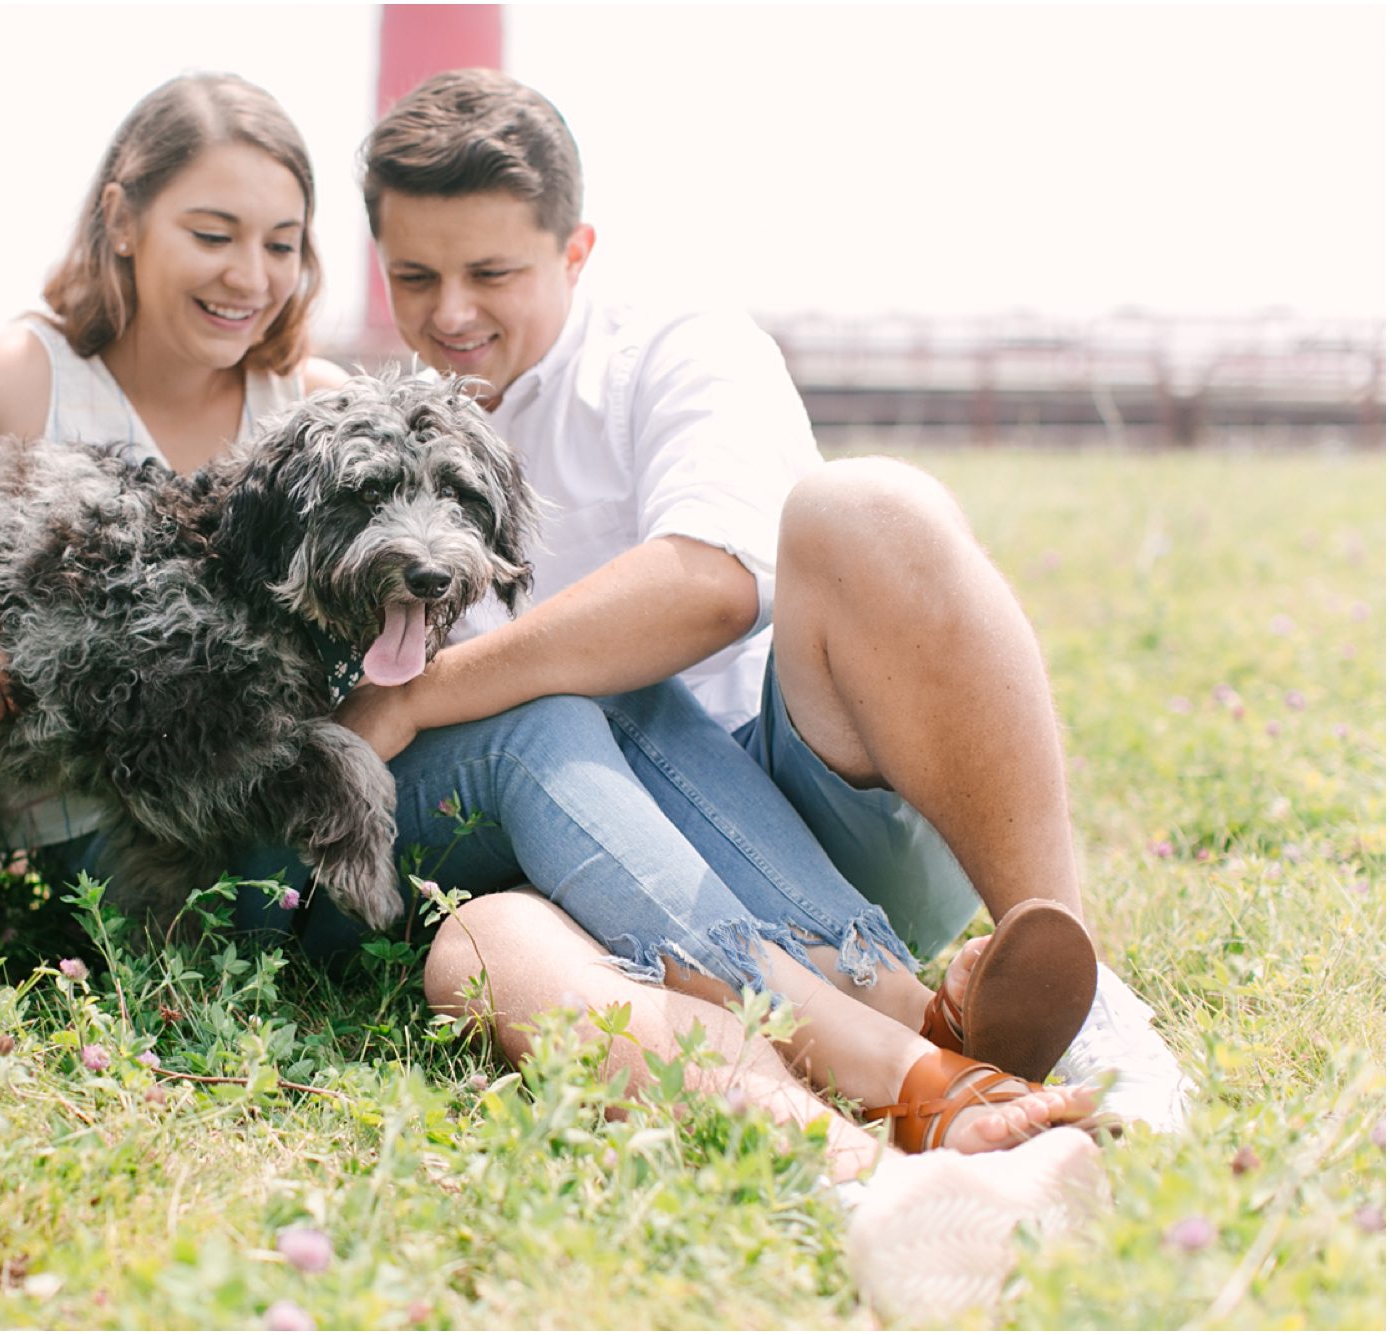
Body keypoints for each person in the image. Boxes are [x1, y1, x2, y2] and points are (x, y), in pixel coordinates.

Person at [0, 71, 1103, 1166]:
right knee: (542, 722)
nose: (249, 273)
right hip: (134, 834)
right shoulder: (25, 371)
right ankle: (886, 1035)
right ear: (124, 219)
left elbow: (681, 583)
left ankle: (894, 1016)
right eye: (212, 233)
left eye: (280, 243)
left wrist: (412, 692)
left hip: (319, 794)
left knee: (580, 700)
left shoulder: (323, 415)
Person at [339, 67, 1191, 1138]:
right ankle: (910, 1068)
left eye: (490, 271)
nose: (449, 312)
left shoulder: (676, 348)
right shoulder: (375, 425)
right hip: (585, 853)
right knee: (498, 922)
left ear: (574, 250)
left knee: (866, 509)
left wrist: (426, 694)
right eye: (414, 276)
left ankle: (1074, 993)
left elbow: (710, 586)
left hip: (802, 809)